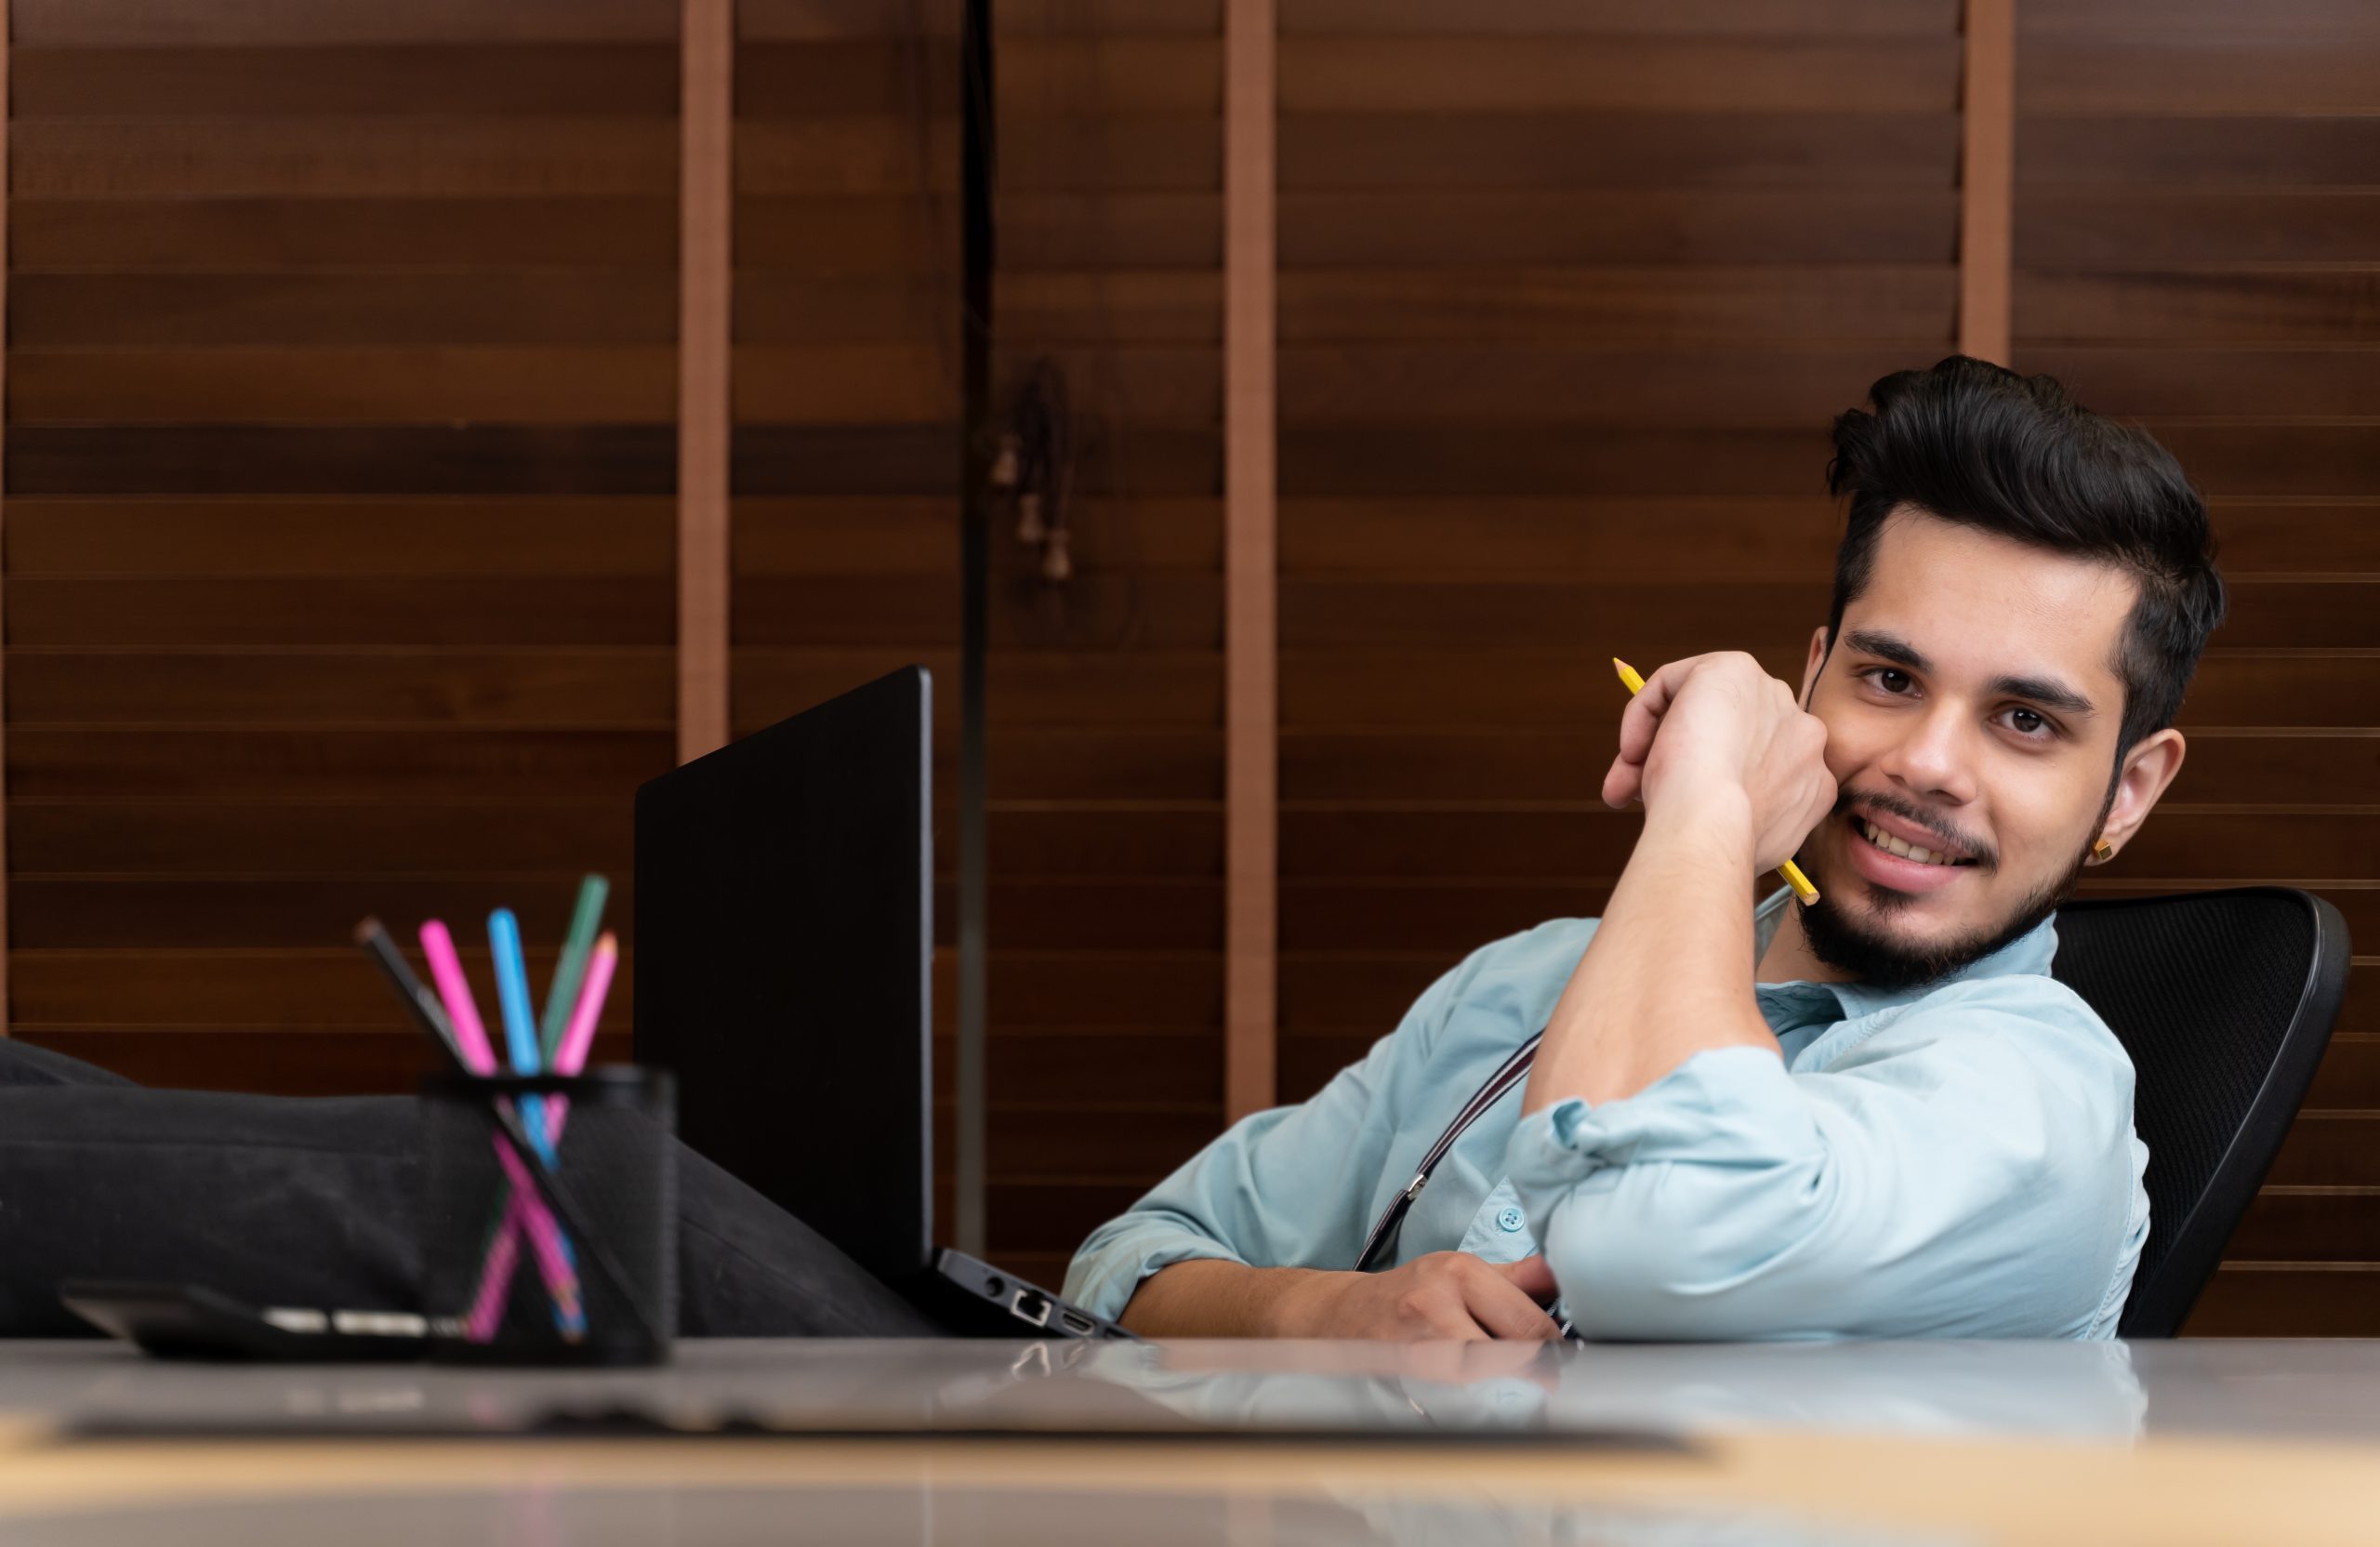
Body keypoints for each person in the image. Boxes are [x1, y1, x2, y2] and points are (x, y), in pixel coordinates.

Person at [1064, 355, 2224, 1342]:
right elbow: (1129, 1263)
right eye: (1887, 676)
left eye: (2024, 720)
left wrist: (1704, 810)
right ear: (1809, 674)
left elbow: (1654, 1228)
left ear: (2128, 790)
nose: (1926, 762)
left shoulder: (2037, 1109)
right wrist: (1317, 1315)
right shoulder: (1523, 981)